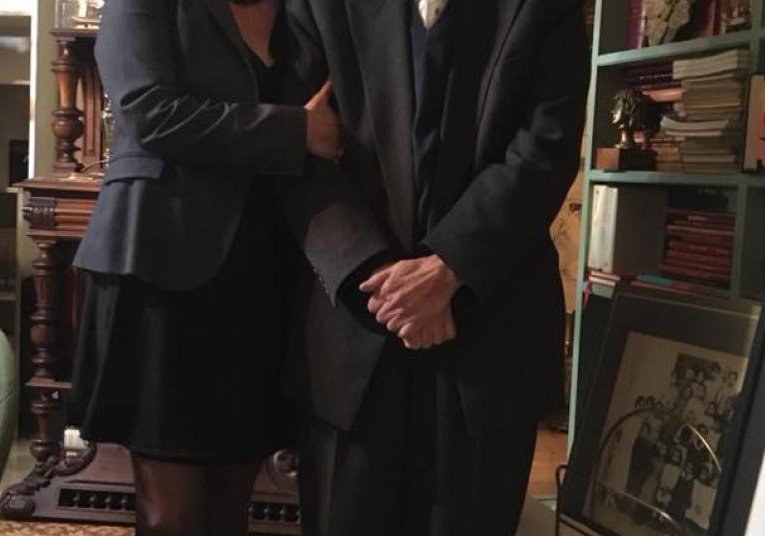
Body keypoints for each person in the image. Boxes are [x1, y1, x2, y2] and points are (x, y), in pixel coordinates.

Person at [67, 0, 391, 533]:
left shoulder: (301, 12)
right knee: (172, 514)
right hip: (163, 270)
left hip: (261, 276)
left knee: (231, 501)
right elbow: (148, 111)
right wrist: (295, 132)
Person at [283, 0, 590, 534]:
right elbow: (296, 147)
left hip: (489, 334)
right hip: (354, 332)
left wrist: (449, 266)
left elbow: (547, 147)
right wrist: (383, 283)